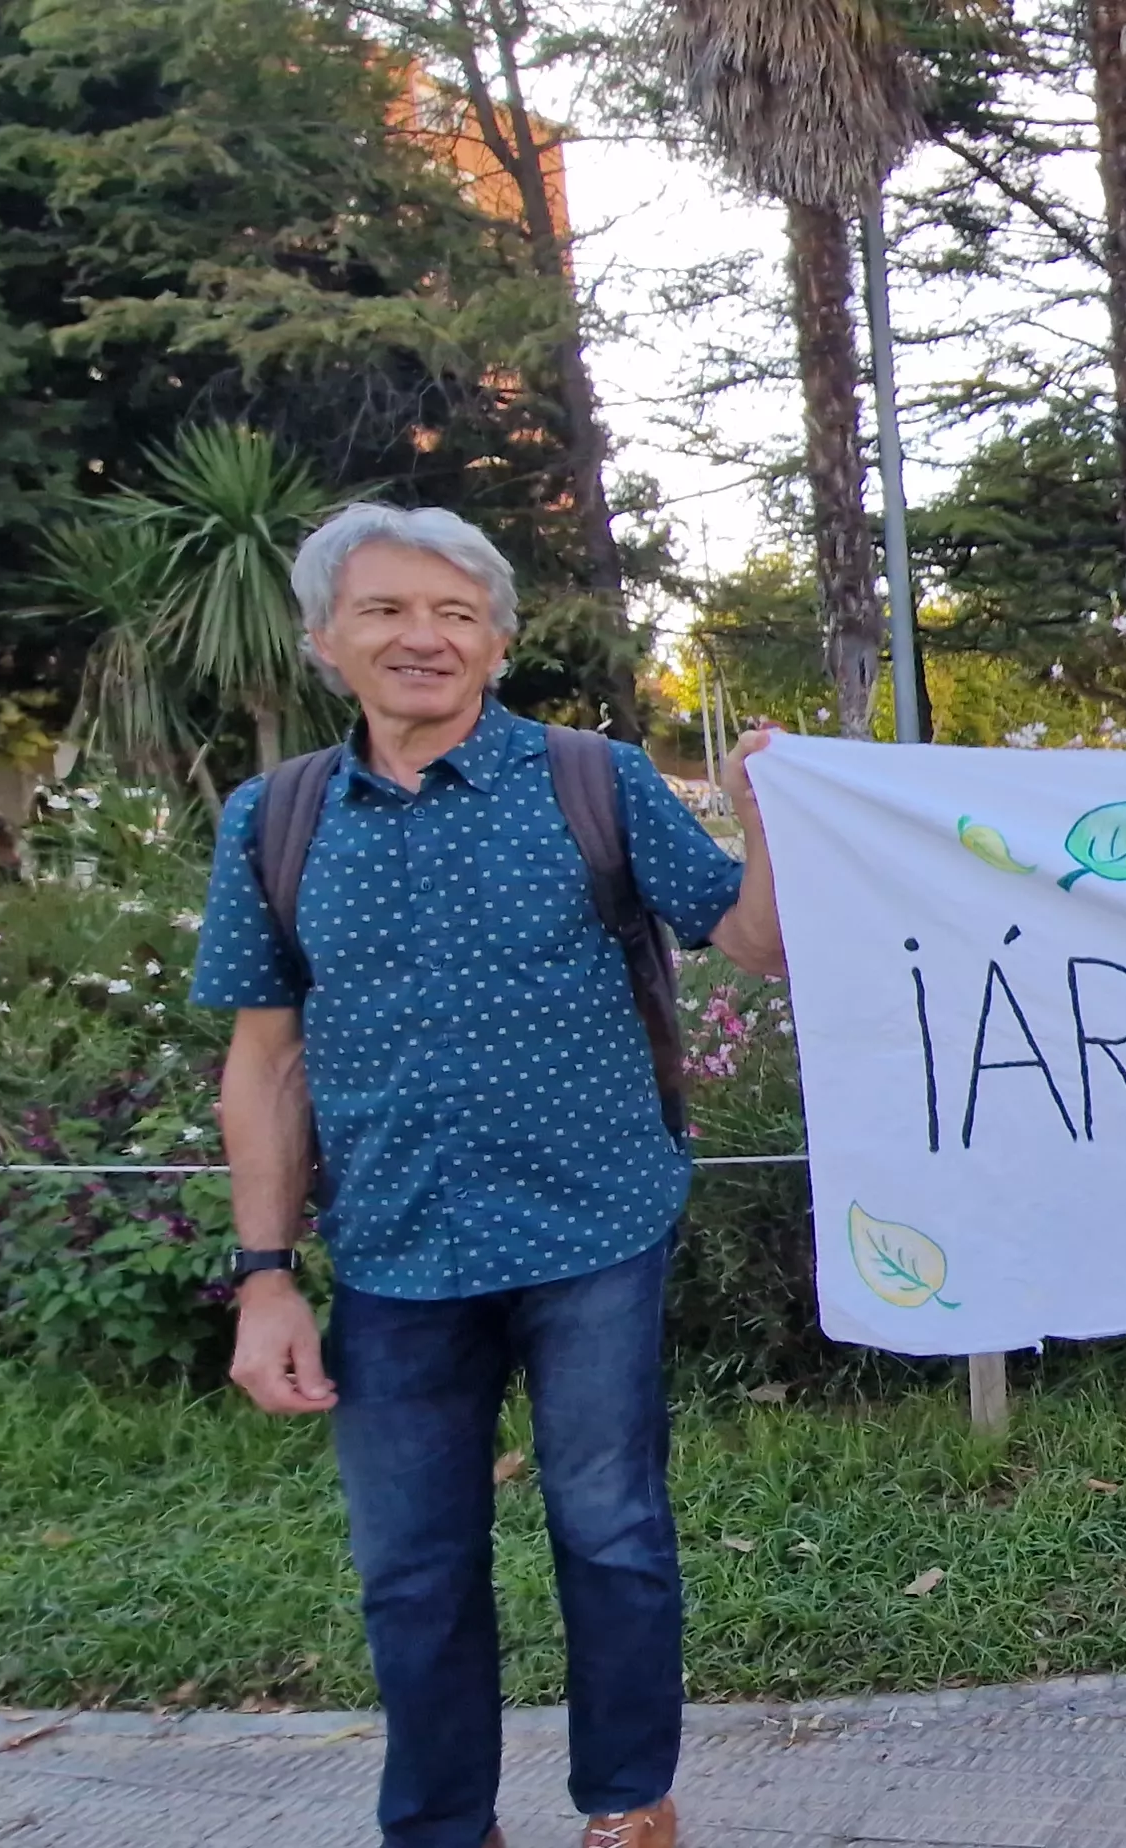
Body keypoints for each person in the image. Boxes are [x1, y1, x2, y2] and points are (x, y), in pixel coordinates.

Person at [195, 504, 790, 1848]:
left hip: (596, 1227)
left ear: (500, 641)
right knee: (411, 1573)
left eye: (457, 614)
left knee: (612, 1532)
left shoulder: (594, 779)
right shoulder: (275, 820)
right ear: (323, 639)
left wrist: (769, 824)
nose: (425, 637)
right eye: (390, 611)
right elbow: (264, 1064)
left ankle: (628, 1804)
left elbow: (754, 944)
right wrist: (265, 1279)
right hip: (397, 1249)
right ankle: (442, 1826)